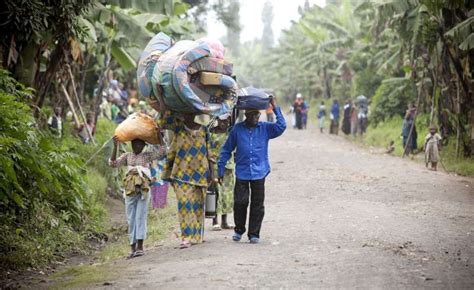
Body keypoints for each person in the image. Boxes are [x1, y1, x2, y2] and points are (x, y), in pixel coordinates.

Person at [218, 96, 286, 244]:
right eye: (252, 115)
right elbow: (226, 150)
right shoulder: (237, 129)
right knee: (240, 202)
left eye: (257, 114)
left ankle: (254, 234)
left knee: (257, 204)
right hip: (242, 171)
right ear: (247, 115)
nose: (256, 117)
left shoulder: (266, 128)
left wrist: (275, 107)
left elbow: (281, 126)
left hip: (260, 171)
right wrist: (220, 169)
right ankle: (239, 229)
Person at [109, 134, 165, 258]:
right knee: (131, 218)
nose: (136, 146)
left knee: (141, 216)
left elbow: (162, 152)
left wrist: (159, 135)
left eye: (139, 144)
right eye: (134, 144)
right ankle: (132, 247)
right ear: (131, 144)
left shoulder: (147, 156)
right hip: (130, 189)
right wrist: (115, 146)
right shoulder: (127, 156)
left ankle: (140, 246)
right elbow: (113, 163)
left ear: (144, 145)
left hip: (143, 189)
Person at [162, 112, 213, 248]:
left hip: (201, 174)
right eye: (186, 112)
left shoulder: (204, 130)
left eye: (191, 112)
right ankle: (186, 236)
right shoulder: (178, 129)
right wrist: (162, 101)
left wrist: (213, 174)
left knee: (197, 206)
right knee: (184, 204)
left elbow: (210, 153)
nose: (188, 116)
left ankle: (196, 236)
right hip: (180, 173)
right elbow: (162, 123)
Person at [209, 115, 235, 230]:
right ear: (217, 120)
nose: (224, 123)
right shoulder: (211, 133)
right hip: (214, 166)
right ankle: (215, 221)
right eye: (221, 120)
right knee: (216, 193)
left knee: (227, 194)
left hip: (228, 167)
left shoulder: (231, 132)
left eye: (226, 121)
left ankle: (224, 221)